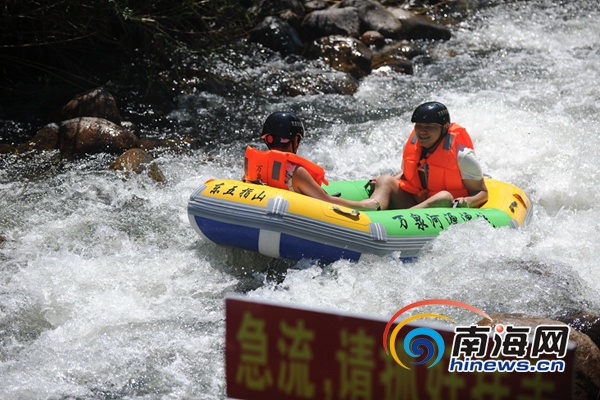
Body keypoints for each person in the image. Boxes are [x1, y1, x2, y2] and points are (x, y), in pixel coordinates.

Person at [243, 111, 380, 210]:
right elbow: (327, 202)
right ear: (295, 140)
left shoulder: (252, 167)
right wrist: (365, 204)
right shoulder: (296, 172)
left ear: (268, 139)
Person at [369, 101, 488, 210]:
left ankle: (401, 217)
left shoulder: (462, 156)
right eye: (418, 126)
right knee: (386, 179)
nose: (422, 131)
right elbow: (409, 174)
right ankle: (369, 210)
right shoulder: (412, 145)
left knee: (443, 196)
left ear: (445, 127)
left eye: (429, 127)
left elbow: (482, 192)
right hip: (418, 202)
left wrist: (467, 201)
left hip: (445, 208)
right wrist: (382, 184)